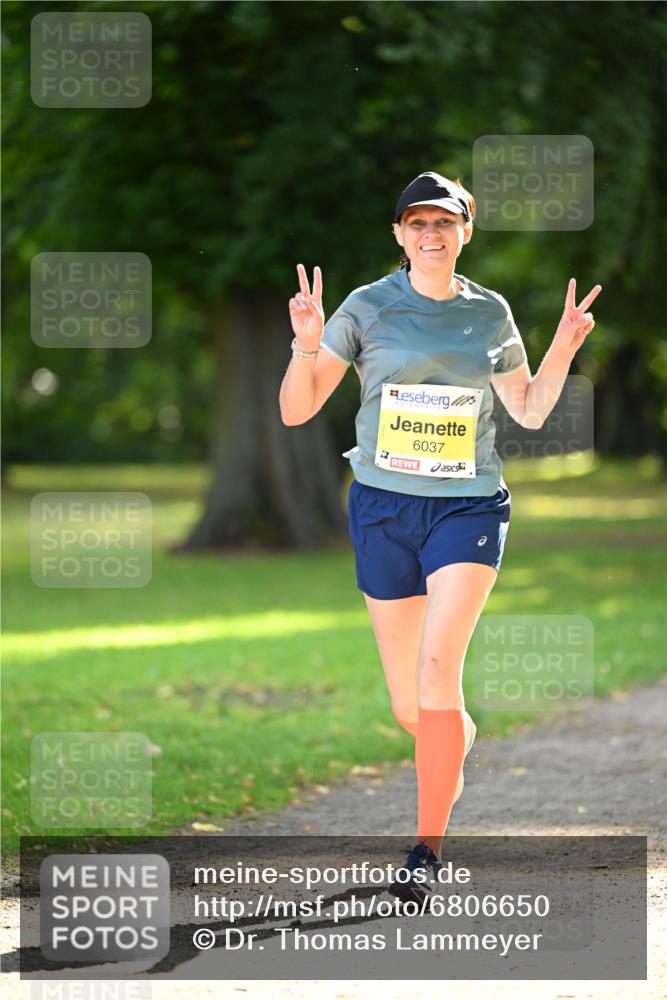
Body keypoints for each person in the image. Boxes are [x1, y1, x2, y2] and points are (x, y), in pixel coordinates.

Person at [278, 170, 601, 907]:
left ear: (465, 232)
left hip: (467, 508)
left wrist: (562, 344)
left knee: (435, 677)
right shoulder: (364, 307)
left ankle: (424, 851)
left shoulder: (489, 313)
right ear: (398, 234)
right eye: (417, 222)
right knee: (412, 708)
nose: (431, 234)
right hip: (382, 510)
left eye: (444, 222)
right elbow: (298, 412)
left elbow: (524, 408)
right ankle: (449, 737)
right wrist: (304, 342)